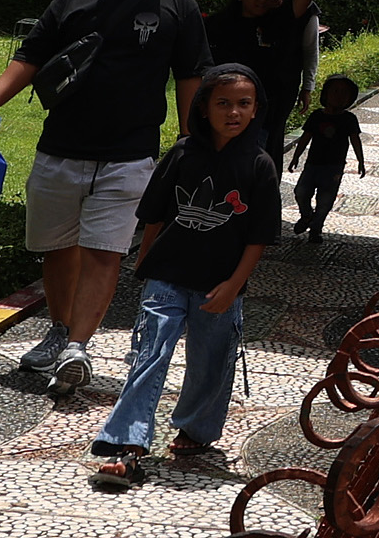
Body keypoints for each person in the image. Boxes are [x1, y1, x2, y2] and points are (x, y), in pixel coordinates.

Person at [0, 0, 210, 397]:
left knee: (104, 253)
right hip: (61, 147)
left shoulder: (177, 5)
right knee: (57, 249)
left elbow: (190, 75)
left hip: (131, 155)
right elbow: (31, 56)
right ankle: (59, 331)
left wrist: (190, 142)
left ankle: (79, 345)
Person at [86, 66, 280, 486]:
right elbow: (154, 215)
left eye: (243, 104)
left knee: (211, 361)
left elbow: (259, 238)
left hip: (221, 283)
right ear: (204, 109)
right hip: (169, 275)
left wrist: (233, 286)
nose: (233, 112)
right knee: (150, 353)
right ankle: (127, 445)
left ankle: (196, 428)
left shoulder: (259, 165)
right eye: (222, 103)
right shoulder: (183, 153)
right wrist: (144, 262)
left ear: (256, 109)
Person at [205, 0, 324, 164]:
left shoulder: (280, 19)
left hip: (270, 107)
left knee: (263, 157)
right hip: (229, 109)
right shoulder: (218, 25)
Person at [285, 73, 366, 242]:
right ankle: (307, 216)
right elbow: (305, 137)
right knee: (301, 192)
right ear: (325, 94)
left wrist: (361, 161)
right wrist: (296, 157)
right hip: (312, 164)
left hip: (334, 168)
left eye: (344, 93)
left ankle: (316, 229)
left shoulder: (349, 119)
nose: (339, 96)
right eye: (335, 91)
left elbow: (355, 140)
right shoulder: (316, 116)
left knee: (325, 201)